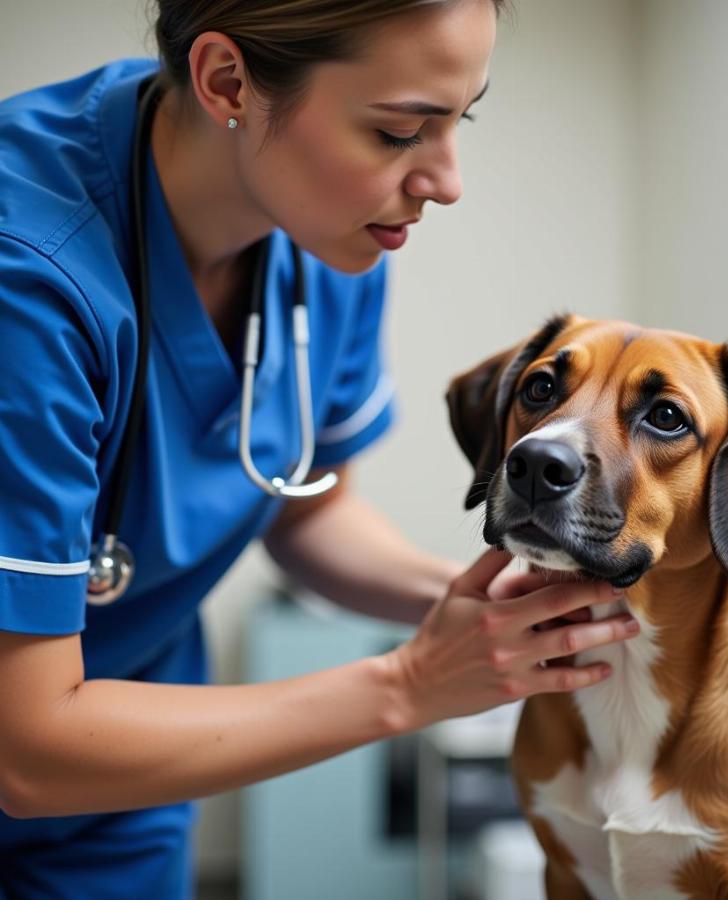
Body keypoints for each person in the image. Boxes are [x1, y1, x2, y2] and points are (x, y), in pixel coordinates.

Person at [0, 1, 639, 896]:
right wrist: (411, 686)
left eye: (460, 120)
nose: (446, 181)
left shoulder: (324, 239)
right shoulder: (27, 278)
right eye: (398, 131)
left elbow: (309, 508)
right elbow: (25, 751)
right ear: (227, 81)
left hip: (127, 775)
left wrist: (497, 617)